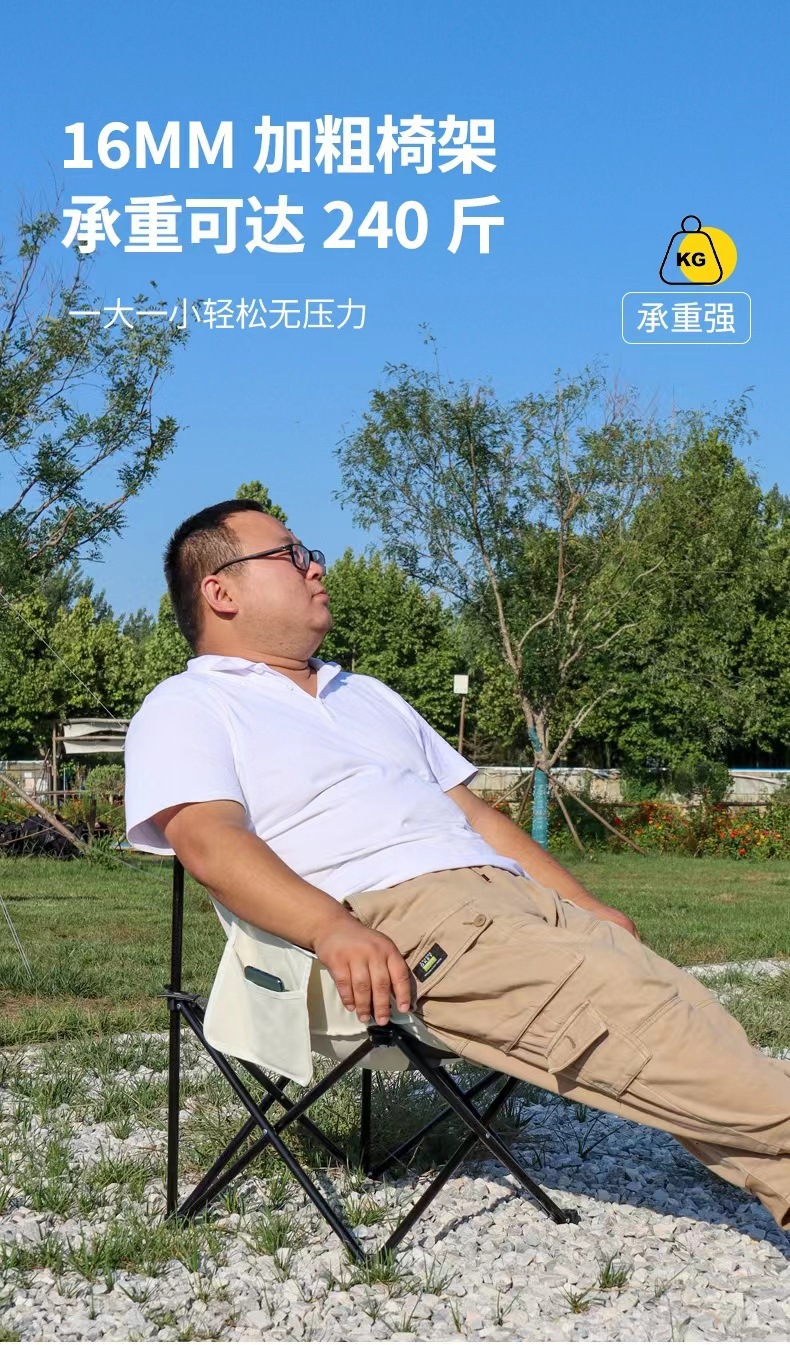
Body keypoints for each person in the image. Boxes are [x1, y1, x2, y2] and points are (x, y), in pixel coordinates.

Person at [124, 498, 790, 1232]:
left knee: (683, 1012)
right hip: (394, 921)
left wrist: (584, 904)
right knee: (637, 1021)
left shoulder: (366, 694)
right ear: (220, 591)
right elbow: (210, 842)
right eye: (291, 553)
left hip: (510, 900)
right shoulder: (189, 703)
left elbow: (477, 818)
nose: (316, 566)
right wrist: (330, 928)